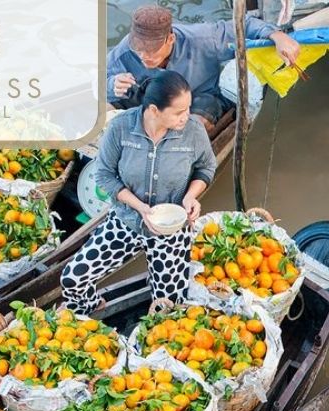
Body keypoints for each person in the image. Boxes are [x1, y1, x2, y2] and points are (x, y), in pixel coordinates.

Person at [60, 71, 215, 315]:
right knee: (73, 279)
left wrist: (190, 196)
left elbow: (206, 166)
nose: (187, 116)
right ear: (154, 110)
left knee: (168, 306)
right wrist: (140, 207)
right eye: (178, 112)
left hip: (171, 229)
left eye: (188, 108)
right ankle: (91, 310)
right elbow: (104, 174)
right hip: (126, 222)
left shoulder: (193, 131)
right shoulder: (121, 128)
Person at [107, 5, 301, 136]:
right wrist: (111, 84)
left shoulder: (203, 39)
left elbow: (246, 25)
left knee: (194, 127)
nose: (144, 56)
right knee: (105, 107)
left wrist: (277, 36)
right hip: (151, 97)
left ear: (171, 39)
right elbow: (100, 80)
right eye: (139, 50)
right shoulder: (124, 51)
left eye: (152, 51)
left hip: (198, 96)